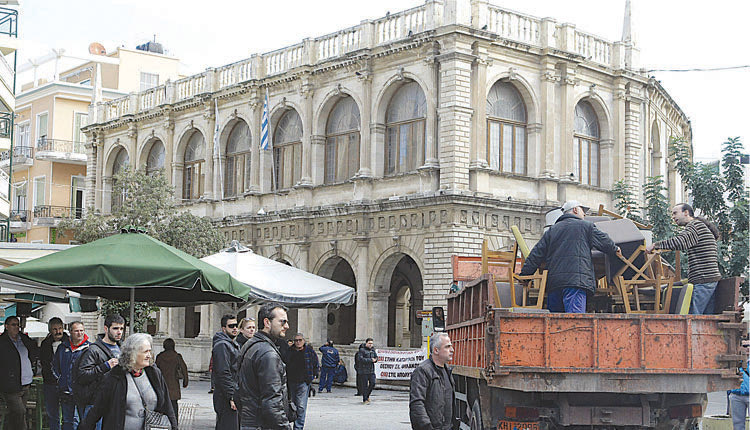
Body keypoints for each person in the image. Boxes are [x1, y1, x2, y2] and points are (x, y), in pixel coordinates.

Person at [520, 200, 621, 313]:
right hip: (576, 284)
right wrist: (615, 248)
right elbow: (605, 242)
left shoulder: (552, 230)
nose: (585, 214)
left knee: (556, 325)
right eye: (583, 211)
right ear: (575, 209)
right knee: (575, 322)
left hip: (555, 284)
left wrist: (525, 276)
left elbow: (536, 254)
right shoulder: (586, 226)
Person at [78, 333, 177, 430]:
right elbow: (97, 410)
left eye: (150, 351)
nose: (149, 356)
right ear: (132, 353)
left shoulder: (154, 374)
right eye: (145, 352)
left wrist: (174, 427)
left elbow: (167, 407)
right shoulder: (114, 377)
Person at [646, 203, 721, 315]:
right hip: (708, 280)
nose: (673, 217)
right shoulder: (698, 226)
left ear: (686, 212)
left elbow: (681, 241)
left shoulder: (695, 226)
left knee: (693, 318)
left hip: (703, 281)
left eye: (675, 213)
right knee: (705, 321)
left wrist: (655, 245)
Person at [238, 302, 293, 430]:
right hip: (262, 424)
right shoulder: (268, 354)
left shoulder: (251, 344)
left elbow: (238, 390)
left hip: (250, 421)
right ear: (267, 322)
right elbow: (272, 401)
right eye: (282, 322)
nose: (287, 326)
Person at [74, 314, 125, 430]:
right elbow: (82, 375)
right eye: (115, 328)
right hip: (95, 402)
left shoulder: (123, 348)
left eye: (121, 329)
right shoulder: (93, 350)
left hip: (115, 402)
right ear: (106, 329)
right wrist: (106, 366)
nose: (119, 332)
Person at [409, 332, 458, 430]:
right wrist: (427, 427)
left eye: (451, 347)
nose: (452, 350)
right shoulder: (423, 371)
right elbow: (417, 404)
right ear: (436, 350)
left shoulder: (447, 371)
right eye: (447, 347)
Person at [0, 316, 39, 430]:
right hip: (10, 385)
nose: (16, 327)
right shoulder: (2, 342)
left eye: (17, 325)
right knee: (20, 413)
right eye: (13, 325)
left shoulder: (23, 339)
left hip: (25, 383)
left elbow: (34, 349)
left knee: (16, 415)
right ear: (6, 327)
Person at [53, 321, 90, 430]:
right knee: (67, 421)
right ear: (70, 332)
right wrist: (60, 380)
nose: (80, 333)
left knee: (84, 421)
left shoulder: (90, 348)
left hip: (83, 392)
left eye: (81, 330)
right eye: (76, 331)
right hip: (66, 392)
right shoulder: (62, 347)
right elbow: (55, 366)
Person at [213, 314, 240, 430]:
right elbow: (223, 372)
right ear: (224, 328)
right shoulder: (222, 345)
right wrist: (232, 396)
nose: (235, 328)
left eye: (236, 325)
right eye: (231, 326)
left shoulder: (231, 344)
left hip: (230, 394)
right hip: (225, 397)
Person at [287, 333, 319, 430]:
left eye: (300, 340)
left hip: (303, 382)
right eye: (296, 340)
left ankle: (298, 427)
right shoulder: (289, 351)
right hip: (291, 382)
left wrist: (313, 376)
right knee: (291, 405)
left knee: (301, 406)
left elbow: (315, 364)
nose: (298, 342)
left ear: (304, 341)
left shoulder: (309, 351)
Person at [41, 317, 68, 430]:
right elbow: (44, 363)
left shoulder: (69, 342)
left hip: (67, 383)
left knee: (70, 416)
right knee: (53, 415)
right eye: (55, 329)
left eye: (60, 328)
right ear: (50, 330)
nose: (58, 331)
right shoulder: (45, 344)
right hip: (50, 383)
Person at [155, 338, 189, 425]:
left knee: (162, 408)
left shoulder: (160, 357)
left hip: (161, 386)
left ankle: (162, 425)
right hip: (173, 387)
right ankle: (174, 425)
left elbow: (155, 370)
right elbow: (184, 369)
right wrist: (185, 381)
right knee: (174, 408)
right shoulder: (177, 356)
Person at [729, 339, 750, 430]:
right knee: (737, 425)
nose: (748, 348)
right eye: (745, 346)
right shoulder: (734, 361)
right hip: (736, 395)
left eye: (749, 346)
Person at [356, 338, 378, 404]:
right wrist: (370, 360)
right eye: (369, 343)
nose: (370, 345)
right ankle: (365, 399)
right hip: (364, 371)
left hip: (371, 370)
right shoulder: (362, 350)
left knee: (372, 383)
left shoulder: (373, 350)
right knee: (364, 385)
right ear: (366, 343)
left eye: (371, 343)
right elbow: (360, 359)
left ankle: (367, 395)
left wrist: (375, 360)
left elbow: (376, 357)